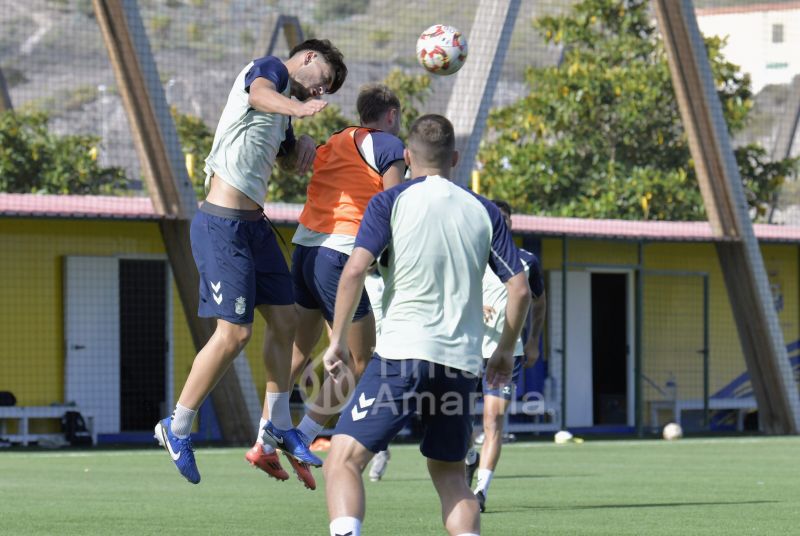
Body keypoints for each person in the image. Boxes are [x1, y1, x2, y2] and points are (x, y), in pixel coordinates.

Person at [321, 114, 531, 536]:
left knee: (342, 459)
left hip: (401, 358)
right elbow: (521, 290)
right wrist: (505, 351)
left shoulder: (390, 201)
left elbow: (354, 270)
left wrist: (338, 341)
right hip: (459, 366)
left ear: (406, 156)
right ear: (455, 157)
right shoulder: (484, 210)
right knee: (451, 475)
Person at [154, 39, 348, 485]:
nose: (320, 94)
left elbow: (285, 158)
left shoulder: (283, 109)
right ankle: (177, 425)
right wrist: (299, 111)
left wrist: (303, 147)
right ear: (309, 58)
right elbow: (259, 92)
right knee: (235, 334)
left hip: (255, 227)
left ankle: (276, 426)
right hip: (222, 226)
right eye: (324, 84)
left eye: (326, 93)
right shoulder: (269, 71)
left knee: (286, 323)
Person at [251, 84, 405, 490]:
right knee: (361, 358)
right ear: (391, 115)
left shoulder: (335, 140)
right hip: (338, 255)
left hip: (304, 249)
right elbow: (392, 206)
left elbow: (302, 167)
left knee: (299, 350)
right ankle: (302, 432)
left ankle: (264, 437)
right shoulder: (389, 144)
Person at [465, 199, 547, 512]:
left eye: (504, 217)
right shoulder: (469, 255)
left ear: (510, 223)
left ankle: (481, 491)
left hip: (506, 355)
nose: (499, 222)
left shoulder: (526, 260)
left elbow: (538, 303)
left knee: (493, 421)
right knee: (455, 422)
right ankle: (469, 458)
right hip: (466, 353)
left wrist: (534, 341)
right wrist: (471, 307)